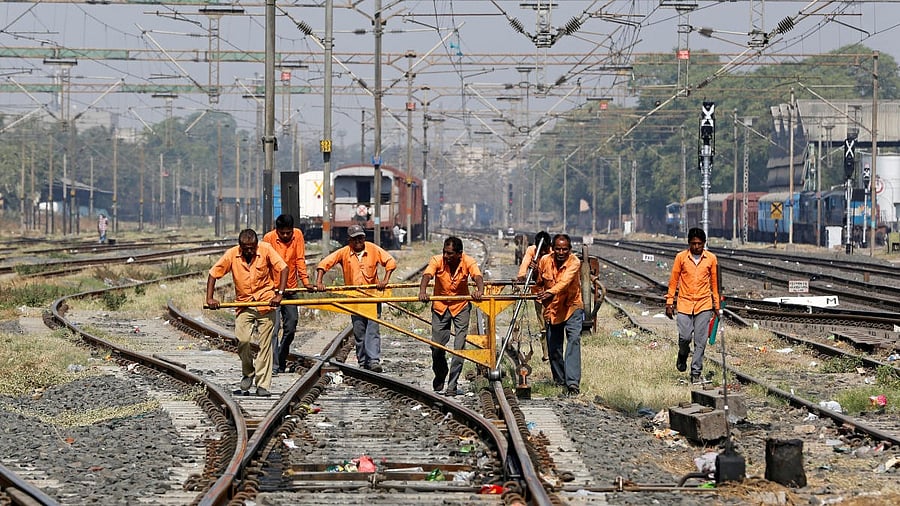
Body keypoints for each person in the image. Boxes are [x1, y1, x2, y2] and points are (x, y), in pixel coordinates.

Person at [206, 229, 288, 397]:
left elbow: (283, 268)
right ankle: (248, 372)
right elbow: (213, 273)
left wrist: (279, 294)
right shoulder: (232, 254)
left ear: (256, 245)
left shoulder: (266, 250)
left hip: (266, 302)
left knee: (266, 345)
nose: (249, 251)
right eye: (246, 248)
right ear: (240, 246)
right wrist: (210, 298)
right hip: (244, 304)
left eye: (252, 247)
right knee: (242, 340)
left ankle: (263, 385)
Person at [315, 224, 396, 372]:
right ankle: (363, 361)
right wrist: (319, 281)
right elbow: (325, 263)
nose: (358, 241)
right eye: (355, 239)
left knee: (372, 329)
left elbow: (390, 262)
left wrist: (385, 280)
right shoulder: (344, 252)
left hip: (372, 298)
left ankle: (373, 360)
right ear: (349, 240)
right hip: (354, 299)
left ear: (364, 238)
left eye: (361, 238)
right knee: (359, 331)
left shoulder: (373, 249)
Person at [418, 236, 484, 396]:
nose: (446, 256)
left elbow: (477, 276)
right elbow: (427, 275)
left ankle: (452, 385)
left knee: (459, 347)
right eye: (444, 252)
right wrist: (422, 291)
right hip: (440, 307)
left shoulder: (468, 261)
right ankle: (440, 374)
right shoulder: (437, 260)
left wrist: (480, 291)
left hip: (460, 307)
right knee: (436, 347)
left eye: (450, 254)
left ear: (459, 254)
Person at [665, 227, 721, 384]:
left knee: (700, 341)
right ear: (689, 243)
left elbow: (715, 284)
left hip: (704, 304)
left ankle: (695, 372)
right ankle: (682, 354)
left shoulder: (711, 259)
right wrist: (670, 302)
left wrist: (716, 305)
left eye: (699, 244)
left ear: (704, 243)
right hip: (684, 303)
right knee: (684, 337)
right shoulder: (681, 258)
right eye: (693, 243)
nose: (696, 247)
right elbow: (673, 281)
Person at [262, 214, 313, 374]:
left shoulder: (297, 235)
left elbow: (299, 259)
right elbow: (263, 263)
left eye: (288, 233)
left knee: (291, 326)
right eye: (282, 233)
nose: (285, 236)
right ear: (276, 231)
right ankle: (275, 365)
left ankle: (282, 356)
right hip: (272, 290)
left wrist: (305, 282)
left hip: (290, 289)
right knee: (273, 328)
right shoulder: (268, 238)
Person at [534, 233, 584, 396]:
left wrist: (549, 292)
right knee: (553, 346)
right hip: (553, 309)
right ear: (553, 249)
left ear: (570, 249)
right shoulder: (545, 261)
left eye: (564, 249)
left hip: (571, 306)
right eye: (558, 249)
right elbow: (539, 282)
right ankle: (559, 379)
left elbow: (564, 283)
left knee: (573, 341)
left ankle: (572, 384)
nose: (561, 252)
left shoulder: (574, 262)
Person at [516, 231, 552, 361]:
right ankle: (547, 354)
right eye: (540, 250)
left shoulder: (553, 253)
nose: (542, 253)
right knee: (543, 326)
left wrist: (539, 268)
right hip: (538, 294)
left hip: (553, 294)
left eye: (544, 250)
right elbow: (524, 265)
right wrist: (522, 275)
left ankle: (554, 351)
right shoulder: (532, 250)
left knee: (553, 324)